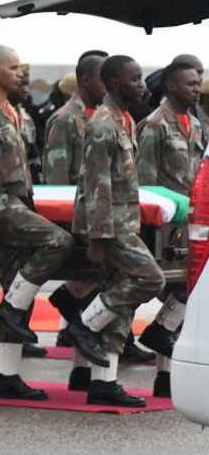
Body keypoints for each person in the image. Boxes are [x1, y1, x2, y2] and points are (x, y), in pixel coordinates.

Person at [0, 46, 73, 399]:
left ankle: (6, 375)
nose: (20, 74)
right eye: (13, 68)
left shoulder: (12, 111)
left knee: (14, 286)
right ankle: (9, 310)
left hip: (18, 202)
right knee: (59, 240)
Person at [66, 55, 166, 407]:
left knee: (119, 304)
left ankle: (103, 381)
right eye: (135, 79)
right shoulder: (103, 125)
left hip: (123, 223)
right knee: (151, 279)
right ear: (113, 83)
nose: (142, 84)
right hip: (110, 228)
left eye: (141, 78)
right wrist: (96, 237)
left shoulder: (124, 120)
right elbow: (97, 184)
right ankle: (85, 325)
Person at [135, 60, 205, 397]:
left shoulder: (193, 123)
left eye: (198, 82)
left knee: (190, 290)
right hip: (165, 225)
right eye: (190, 83)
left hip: (188, 221)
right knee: (181, 289)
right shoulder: (155, 125)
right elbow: (145, 185)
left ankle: (165, 375)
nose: (196, 87)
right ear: (171, 86)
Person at [42, 52, 108, 390]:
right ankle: (82, 370)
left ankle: (82, 370)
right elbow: (56, 181)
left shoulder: (107, 115)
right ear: (84, 80)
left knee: (91, 289)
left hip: (99, 213)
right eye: (102, 77)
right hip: (77, 216)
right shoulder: (66, 119)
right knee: (94, 286)